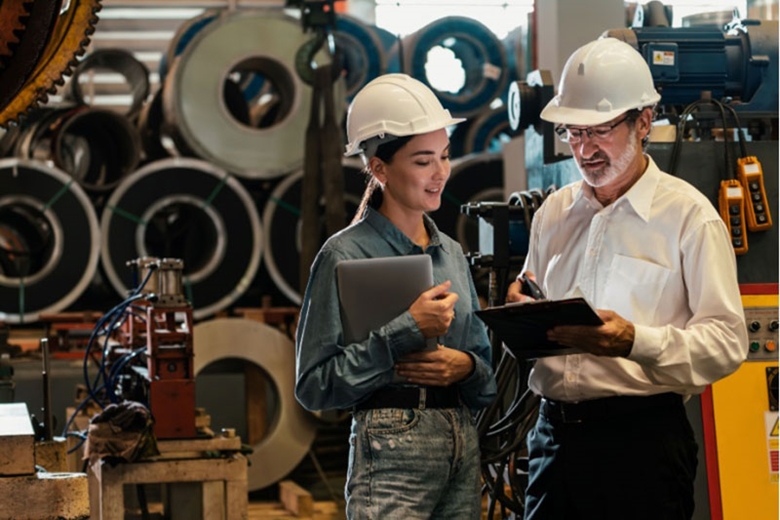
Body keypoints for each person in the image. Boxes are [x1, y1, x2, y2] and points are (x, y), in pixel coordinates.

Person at [505, 38, 748, 520]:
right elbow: (532, 296)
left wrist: (635, 341)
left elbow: (726, 342)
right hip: (553, 440)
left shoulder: (689, 218)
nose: (584, 149)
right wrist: (521, 313)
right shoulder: (553, 214)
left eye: (599, 131)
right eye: (573, 133)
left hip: (641, 445)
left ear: (643, 122)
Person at [295, 73, 497, 520]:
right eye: (423, 161)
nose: (440, 173)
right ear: (379, 168)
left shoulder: (452, 254)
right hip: (389, 446)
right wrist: (404, 332)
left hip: (461, 443)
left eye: (444, 156)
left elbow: (486, 377)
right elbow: (314, 385)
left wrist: (464, 367)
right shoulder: (344, 255)